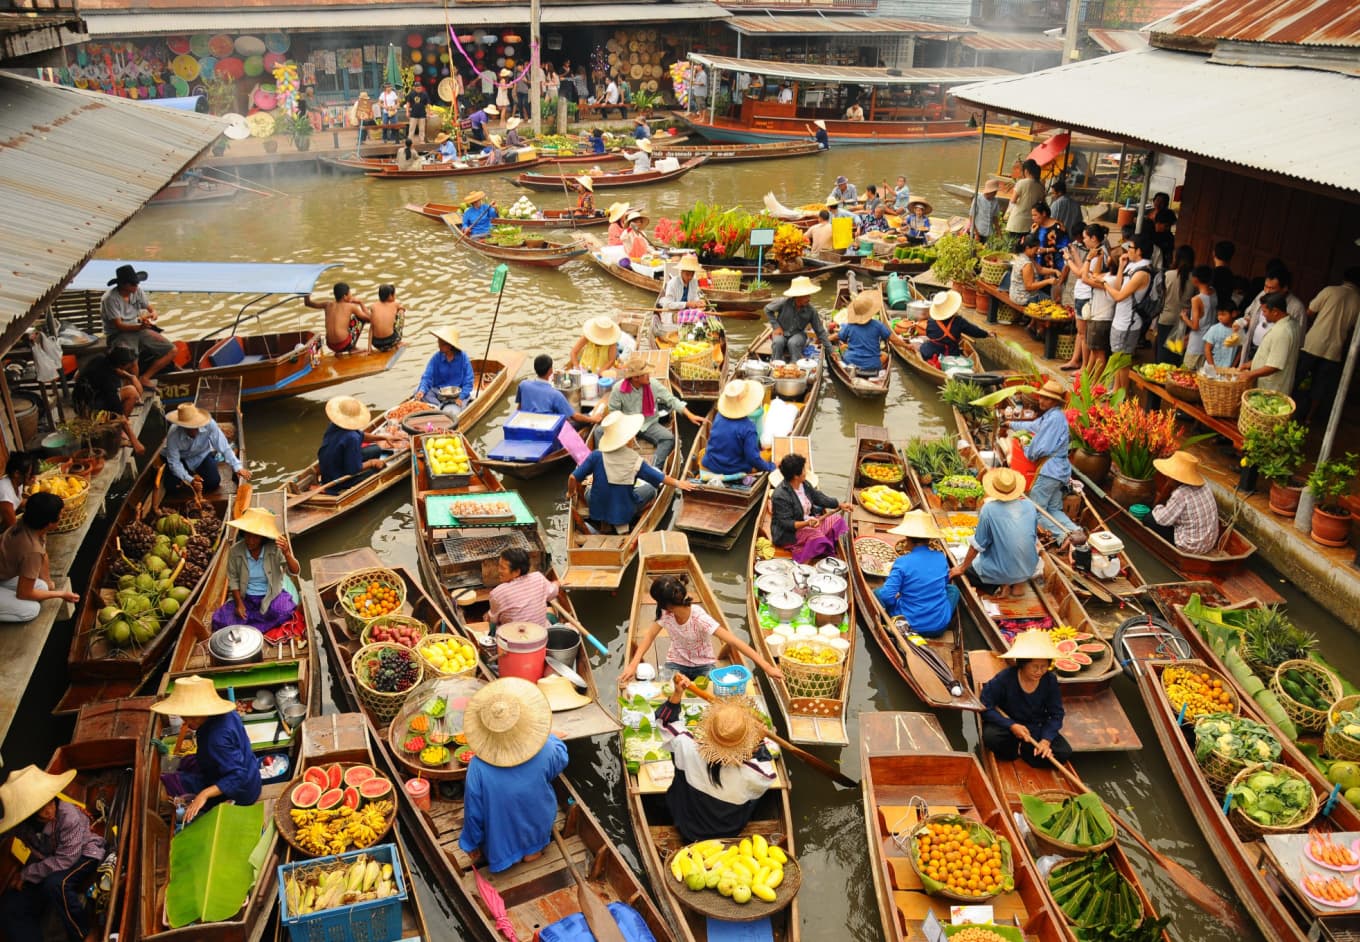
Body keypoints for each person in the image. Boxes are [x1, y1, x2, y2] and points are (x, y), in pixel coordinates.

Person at [649, 676, 776, 842]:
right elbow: (767, 772)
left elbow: (664, 722)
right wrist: (759, 740)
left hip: (686, 827)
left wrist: (677, 693)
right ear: (747, 744)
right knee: (755, 797)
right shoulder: (755, 774)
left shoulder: (686, 746)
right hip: (729, 831)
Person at [459, 678, 568, 871]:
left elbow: (473, 812)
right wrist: (550, 737)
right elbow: (561, 758)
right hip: (538, 823)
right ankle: (532, 852)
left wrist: (470, 843)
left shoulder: (478, 766)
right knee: (533, 841)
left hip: (501, 836)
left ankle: (511, 858)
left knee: (502, 838)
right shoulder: (547, 748)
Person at [0, 764, 106, 942]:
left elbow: (66, 859)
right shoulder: (23, 824)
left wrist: (26, 874)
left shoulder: (68, 816)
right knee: (10, 906)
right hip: (48, 864)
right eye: (40, 809)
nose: (49, 810)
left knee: (57, 884)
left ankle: (84, 933)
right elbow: (5, 828)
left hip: (83, 854)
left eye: (49, 802)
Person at [621, 574, 779, 684]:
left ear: (666, 604)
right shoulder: (666, 614)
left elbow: (734, 641)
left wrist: (767, 667)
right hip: (676, 662)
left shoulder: (699, 617)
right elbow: (649, 637)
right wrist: (633, 664)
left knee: (714, 695)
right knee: (666, 693)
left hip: (704, 665)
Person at [153, 676, 261, 823]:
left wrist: (204, 794)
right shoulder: (228, 713)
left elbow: (237, 776)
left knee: (172, 780)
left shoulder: (216, 740)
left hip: (241, 790)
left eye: (189, 717)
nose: (185, 721)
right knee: (185, 763)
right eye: (184, 716)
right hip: (249, 772)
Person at [569, 413, 692, 533]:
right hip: (623, 512)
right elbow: (659, 478)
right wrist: (678, 483)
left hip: (597, 508)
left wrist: (571, 492)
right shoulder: (634, 460)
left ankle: (606, 521)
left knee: (589, 491)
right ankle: (622, 522)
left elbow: (573, 477)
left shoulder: (596, 455)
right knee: (651, 489)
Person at [979, 630, 1072, 766]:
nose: (1039, 671)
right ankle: (1016, 750)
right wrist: (1011, 725)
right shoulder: (1005, 678)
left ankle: (1026, 750)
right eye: (1035, 667)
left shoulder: (1050, 680)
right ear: (1023, 664)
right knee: (991, 738)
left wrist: (1045, 740)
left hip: (1034, 728)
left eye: (1044, 667)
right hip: (1008, 726)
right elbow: (985, 705)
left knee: (1064, 752)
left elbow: (1057, 714)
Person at [948, 468, 1039, 598]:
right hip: (1028, 568)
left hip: (1003, 570)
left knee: (968, 572)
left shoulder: (989, 509)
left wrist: (962, 568)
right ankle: (1016, 585)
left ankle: (1000, 584)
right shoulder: (1030, 506)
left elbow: (978, 545)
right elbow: (1032, 537)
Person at [210, 507, 299, 632]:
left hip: (271, 595)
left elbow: (295, 571)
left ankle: (251, 626)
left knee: (282, 611)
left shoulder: (274, 549)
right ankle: (258, 624)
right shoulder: (236, 551)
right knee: (222, 620)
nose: (250, 541)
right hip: (246, 598)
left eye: (256, 537)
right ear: (243, 533)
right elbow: (233, 580)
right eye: (248, 535)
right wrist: (239, 604)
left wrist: (287, 553)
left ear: (263, 538)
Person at [1006, 380, 1075, 536]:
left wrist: (1025, 447)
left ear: (1055, 402)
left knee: (1035, 510)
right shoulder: (1051, 416)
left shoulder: (1054, 419)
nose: (1041, 401)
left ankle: (1064, 537)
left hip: (1050, 472)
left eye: (1046, 399)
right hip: (1060, 472)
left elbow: (1036, 451)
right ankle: (1076, 533)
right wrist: (1011, 424)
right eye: (1042, 397)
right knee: (1053, 510)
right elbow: (1032, 426)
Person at [876, 510, 959, 638]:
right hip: (939, 626)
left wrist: (895, 603)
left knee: (878, 593)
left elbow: (887, 596)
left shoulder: (902, 562)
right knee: (953, 590)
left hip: (909, 625)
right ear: (929, 539)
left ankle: (889, 617)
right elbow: (942, 585)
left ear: (907, 539)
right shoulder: (940, 557)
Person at [606, 355, 700, 468]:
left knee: (668, 439)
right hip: (626, 424)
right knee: (599, 432)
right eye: (645, 374)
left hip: (647, 424)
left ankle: (654, 468)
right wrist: (624, 431)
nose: (649, 375)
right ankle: (609, 462)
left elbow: (671, 400)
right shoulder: (618, 389)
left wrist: (690, 415)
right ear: (635, 378)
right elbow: (614, 411)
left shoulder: (653, 384)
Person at [1295, 267, 1360, 424]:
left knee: (1297, 378)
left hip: (1312, 344)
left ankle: (1288, 409)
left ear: (1344, 277)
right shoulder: (1358, 300)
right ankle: (1309, 418)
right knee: (1320, 387)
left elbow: (1309, 312)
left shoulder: (1330, 290)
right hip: (1334, 350)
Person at [0, 494, 79, 622]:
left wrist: (49, 583)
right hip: (5, 577)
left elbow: (43, 553)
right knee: (31, 609)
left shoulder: (28, 523)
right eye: (60, 515)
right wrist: (61, 594)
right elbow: (24, 593)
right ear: (49, 523)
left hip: (3, 575)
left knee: (43, 586)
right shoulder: (32, 550)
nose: (62, 516)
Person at [100, 264, 175, 385]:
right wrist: (140, 326)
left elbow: (150, 308)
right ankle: (132, 390)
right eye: (133, 284)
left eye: (137, 283)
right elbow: (119, 325)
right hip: (119, 334)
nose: (137, 286)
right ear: (123, 284)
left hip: (138, 329)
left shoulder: (137, 291)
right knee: (132, 362)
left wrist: (153, 313)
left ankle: (145, 377)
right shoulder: (110, 298)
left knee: (171, 350)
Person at [769, 452, 849, 564]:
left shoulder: (804, 484)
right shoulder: (780, 495)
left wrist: (838, 504)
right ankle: (807, 556)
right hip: (788, 533)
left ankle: (822, 548)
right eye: (803, 470)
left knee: (837, 520)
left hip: (808, 522)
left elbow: (818, 497)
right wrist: (807, 524)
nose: (805, 472)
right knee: (817, 537)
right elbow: (787, 524)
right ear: (796, 476)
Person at [316, 394, 399, 492]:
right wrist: (372, 462)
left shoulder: (334, 425)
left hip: (330, 466)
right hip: (337, 479)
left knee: (376, 449)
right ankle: (341, 487)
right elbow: (353, 470)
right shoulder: (352, 438)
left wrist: (383, 437)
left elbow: (362, 436)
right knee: (381, 468)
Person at [72, 345, 146, 454]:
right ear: (122, 365)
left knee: (131, 391)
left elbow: (77, 376)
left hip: (79, 399)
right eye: (130, 365)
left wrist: (131, 377)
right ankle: (118, 431)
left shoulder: (100, 359)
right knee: (131, 394)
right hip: (88, 409)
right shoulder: (110, 381)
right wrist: (135, 442)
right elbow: (118, 414)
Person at [164, 403, 248, 495]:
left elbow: (224, 447)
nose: (193, 430)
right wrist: (190, 479)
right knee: (171, 486)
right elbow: (174, 463)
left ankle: (194, 477)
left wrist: (237, 467)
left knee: (213, 482)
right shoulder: (173, 434)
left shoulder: (209, 424)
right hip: (182, 458)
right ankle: (189, 476)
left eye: (195, 426)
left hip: (201, 456)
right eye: (189, 427)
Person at [702, 380, 775, 480]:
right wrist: (770, 467)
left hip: (711, 464)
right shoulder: (748, 428)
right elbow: (753, 458)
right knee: (764, 457)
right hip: (733, 469)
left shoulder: (719, 416)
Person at [1103, 235, 1154, 377]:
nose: (1128, 250)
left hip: (1128, 323)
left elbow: (1119, 296)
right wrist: (1121, 266)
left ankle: (1121, 393)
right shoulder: (1132, 266)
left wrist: (1105, 284)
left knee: (1122, 363)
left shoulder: (1142, 273)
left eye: (1130, 247)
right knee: (1116, 359)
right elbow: (1119, 287)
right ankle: (1115, 391)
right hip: (1121, 319)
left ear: (1139, 251)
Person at [1238, 263, 1307, 366]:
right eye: (1265, 286)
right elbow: (1249, 313)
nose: (1267, 291)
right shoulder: (1263, 294)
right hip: (1252, 348)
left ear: (1285, 288)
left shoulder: (1296, 308)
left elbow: (1297, 340)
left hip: (1273, 356)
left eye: (1272, 288)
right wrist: (1243, 322)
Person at [1150, 451, 1218, 554]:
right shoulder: (1204, 484)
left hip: (1190, 546)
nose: (1167, 477)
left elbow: (1162, 520)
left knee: (1148, 519)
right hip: (1210, 542)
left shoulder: (1181, 494)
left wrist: (1157, 506)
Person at [516, 354, 601, 427]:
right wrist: (593, 419)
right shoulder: (555, 394)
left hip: (528, 422)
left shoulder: (523, 385)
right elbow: (574, 416)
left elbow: (519, 408)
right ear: (550, 370)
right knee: (585, 416)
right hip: (549, 427)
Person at [1245, 291, 1303, 395]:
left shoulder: (1282, 332)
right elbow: (1270, 355)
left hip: (1272, 387)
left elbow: (1274, 366)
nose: (1263, 314)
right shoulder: (1292, 323)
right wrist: (1250, 364)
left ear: (1275, 311)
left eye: (1265, 311)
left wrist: (1250, 374)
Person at [415, 326, 475, 421]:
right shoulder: (436, 358)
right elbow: (427, 377)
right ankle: (439, 406)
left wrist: (461, 397)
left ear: (450, 345)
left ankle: (443, 408)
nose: (438, 345)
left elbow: (469, 380)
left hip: (457, 396)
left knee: (452, 412)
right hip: (439, 393)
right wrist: (421, 391)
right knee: (418, 391)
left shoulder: (463, 358)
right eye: (438, 342)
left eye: (441, 343)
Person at [488, 548, 559, 628]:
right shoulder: (538, 577)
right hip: (541, 636)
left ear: (516, 572)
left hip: (514, 639)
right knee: (549, 612)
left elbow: (494, 619)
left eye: (503, 568)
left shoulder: (497, 593)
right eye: (499, 566)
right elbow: (553, 592)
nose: (499, 570)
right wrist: (557, 583)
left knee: (491, 622)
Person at [764, 276, 830, 362]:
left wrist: (830, 350)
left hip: (798, 335)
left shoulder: (811, 311)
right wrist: (776, 326)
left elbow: (820, 331)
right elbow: (767, 309)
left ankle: (796, 364)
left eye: (809, 295)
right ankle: (776, 364)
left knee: (793, 343)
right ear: (797, 296)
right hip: (782, 332)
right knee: (777, 342)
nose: (809, 298)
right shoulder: (783, 303)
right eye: (806, 296)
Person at [918, 289, 990, 364]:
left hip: (930, 352)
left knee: (924, 345)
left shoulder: (931, 321)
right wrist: (987, 334)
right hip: (951, 355)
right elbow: (974, 331)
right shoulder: (958, 321)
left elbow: (929, 334)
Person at [303, 282, 371, 356]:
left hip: (330, 345)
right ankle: (352, 348)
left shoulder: (327, 304)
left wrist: (306, 290)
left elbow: (308, 303)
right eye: (350, 293)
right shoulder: (350, 306)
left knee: (344, 322)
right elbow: (369, 319)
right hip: (344, 344)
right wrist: (361, 303)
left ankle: (340, 351)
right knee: (359, 318)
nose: (351, 295)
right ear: (345, 296)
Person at [835, 289, 892, 375]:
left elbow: (838, 336)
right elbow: (893, 339)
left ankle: (852, 373)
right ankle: (878, 374)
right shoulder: (878, 325)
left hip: (850, 362)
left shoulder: (849, 326)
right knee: (885, 356)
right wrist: (907, 346)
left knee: (842, 350)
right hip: (873, 365)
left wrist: (823, 339)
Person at [1155, 245, 1195, 365]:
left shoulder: (1168, 275)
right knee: (1175, 351)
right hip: (1183, 320)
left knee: (1162, 352)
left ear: (1176, 258)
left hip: (1166, 318)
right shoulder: (1194, 279)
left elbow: (1159, 297)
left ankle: (1159, 378)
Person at [1181, 264, 1217, 371]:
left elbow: (1195, 326)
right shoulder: (1213, 292)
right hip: (1208, 340)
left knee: (1187, 371)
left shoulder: (1197, 299)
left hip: (1196, 342)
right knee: (1200, 373)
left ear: (1195, 279)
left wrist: (1184, 317)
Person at [1009, 235, 1059, 307]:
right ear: (1027, 248)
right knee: (1053, 302)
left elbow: (1040, 269)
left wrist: (1055, 271)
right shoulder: (1027, 264)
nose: (1037, 252)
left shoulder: (1023, 255)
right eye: (1036, 249)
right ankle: (1034, 318)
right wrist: (1048, 281)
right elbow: (1029, 287)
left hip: (1015, 294)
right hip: (1023, 298)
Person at [1005, 159, 1044, 249]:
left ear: (1026, 171)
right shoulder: (1040, 186)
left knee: (1013, 248)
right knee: (1025, 248)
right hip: (1030, 223)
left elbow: (1013, 201)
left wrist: (1007, 214)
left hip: (1017, 222)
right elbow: (1041, 203)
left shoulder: (1021, 183)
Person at [1029, 202, 1069, 273]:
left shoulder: (1058, 227)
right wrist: (1032, 233)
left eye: (1035, 215)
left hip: (1054, 263)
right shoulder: (1036, 226)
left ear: (1044, 214)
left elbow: (1063, 246)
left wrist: (1046, 250)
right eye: (1032, 215)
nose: (1033, 218)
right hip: (1038, 263)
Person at [0, 452, 36, 530]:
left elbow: (18, 503)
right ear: (17, 474)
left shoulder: (17, 483)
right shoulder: (5, 494)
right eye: (30, 474)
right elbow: (14, 528)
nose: (33, 478)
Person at [1202, 303, 1242, 369]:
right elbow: (1207, 349)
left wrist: (1233, 366)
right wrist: (1212, 367)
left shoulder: (1239, 331)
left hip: (1228, 369)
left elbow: (1240, 350)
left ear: (1234, 314)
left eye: (1223, 314)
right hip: (1211, 367)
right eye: (1218, 315)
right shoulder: (1214, 329)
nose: (1220, 317)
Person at [368, 284, 405, 352]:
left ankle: (371, 348)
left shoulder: (373, 306)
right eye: (394, 295)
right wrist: (400, 310)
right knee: (401, 312)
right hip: (391, 342)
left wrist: (369, 348)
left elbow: (371, 328)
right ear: (390, 296)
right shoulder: (395, 304)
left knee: (374, 323)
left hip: (376, 344)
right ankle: (397, 342)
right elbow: (403, 308)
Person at [1145, 192, 1176, 266]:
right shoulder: (1149, 211)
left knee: (1162, 261)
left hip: (1163, 240)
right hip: (1150, 238)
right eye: (1157, 200)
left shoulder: (1168, 213)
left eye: (1162, 201)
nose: (1159, 203)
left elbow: (1161, 228)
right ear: (1154, 200)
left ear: (1166, 203)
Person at [1211, 241, 1237, 318]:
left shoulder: (1210, 274)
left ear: (1213, 253)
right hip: (1222, 315)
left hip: (1207, 313)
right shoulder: (1231, 276)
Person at [970, 178, 1000, 243]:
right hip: (978, 232)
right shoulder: (978, 199)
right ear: (990, 191)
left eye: (996, 192)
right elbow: (971, 217)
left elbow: (995, 218)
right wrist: (976, 234)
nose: (995, 193)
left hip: (989, 233)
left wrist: (999, 232)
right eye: (994, 192)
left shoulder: (995, 201)